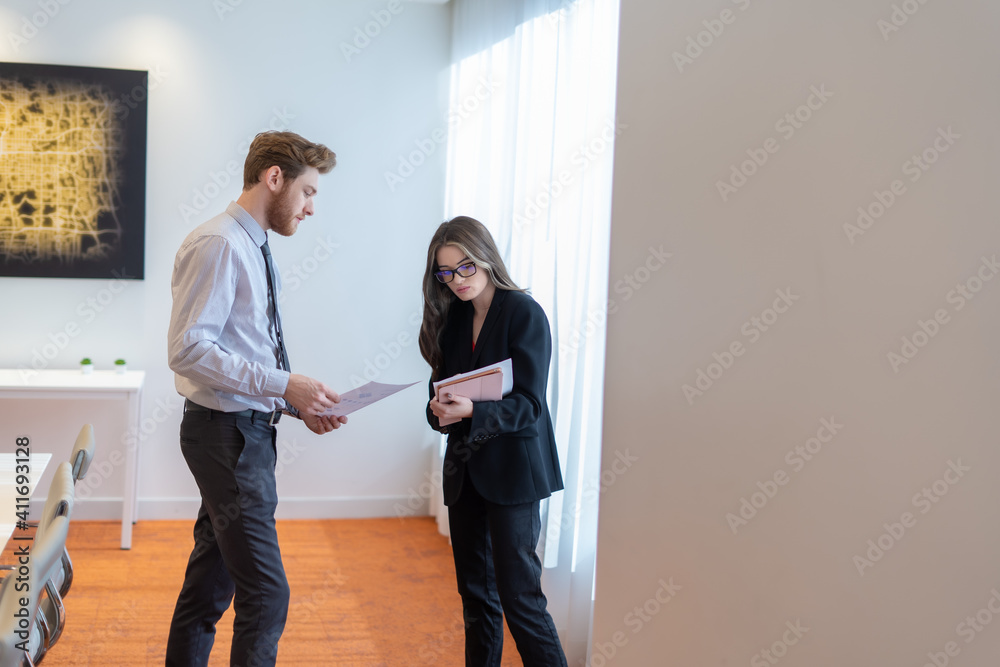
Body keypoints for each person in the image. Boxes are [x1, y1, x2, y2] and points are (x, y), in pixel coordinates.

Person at [165, 130, 347, 667]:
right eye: (308, 192)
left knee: (209, 586)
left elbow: (244, 347)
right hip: (227, 439)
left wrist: (295, 403)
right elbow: (188, 350)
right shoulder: (220, 243)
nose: (311, 208)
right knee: (267, 597)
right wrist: (282, 385)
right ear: (274, 179)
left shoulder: (249, 243)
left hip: (242, 432)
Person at [420, 216, 568, 667]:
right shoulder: (452, 320)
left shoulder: (524, 312)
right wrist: (438, 412)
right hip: (465, 472)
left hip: (513, 474)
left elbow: (530, 405)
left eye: (465, 268)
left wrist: (473, 411)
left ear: (486, 258)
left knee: (520, 599)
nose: (457, 281)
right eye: (445, 273)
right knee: (476, 599)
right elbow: (443, 395)